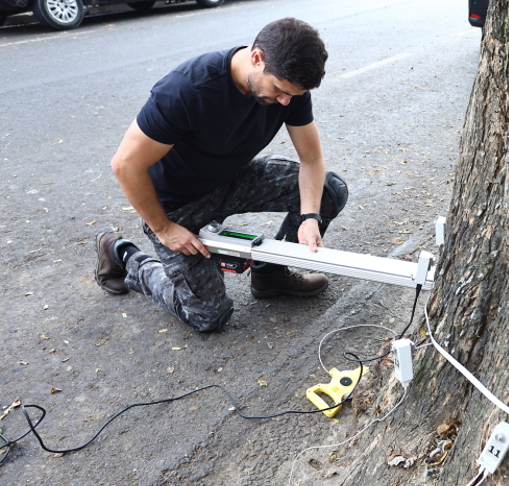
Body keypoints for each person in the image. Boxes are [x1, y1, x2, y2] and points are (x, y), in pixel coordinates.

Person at [94, 17, 347, 333]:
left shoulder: (290, 91)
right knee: (209, 316)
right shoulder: (187, 90)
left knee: (329, 191)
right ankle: (126, 257)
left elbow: (312, 159)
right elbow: (125, 165)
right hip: (178, 206)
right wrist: (164, 228)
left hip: (232, 180)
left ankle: (270, 274)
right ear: (257, 58)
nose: (286, 101)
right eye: (280, 91)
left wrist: (309, 216)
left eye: (293, 95)